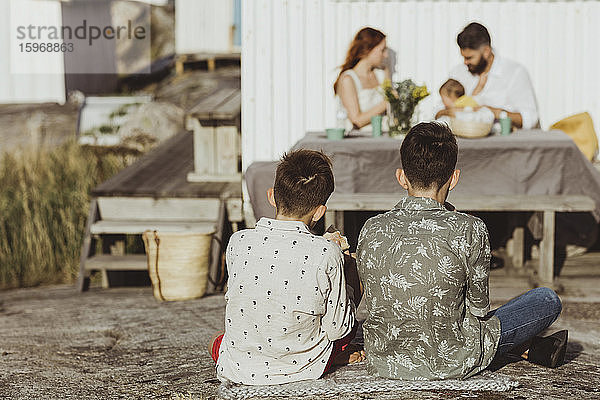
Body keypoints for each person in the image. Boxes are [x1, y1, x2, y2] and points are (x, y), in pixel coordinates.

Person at [356, 121, 567, 380]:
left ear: (401, 176)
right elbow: (478, 309)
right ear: (454, 178)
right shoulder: (470, 228)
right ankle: (526, 347)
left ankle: (529, 349)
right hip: (450, 358)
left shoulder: (371, 228)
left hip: (384, 358)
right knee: (546, 299)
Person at [210, 149, 364, 385]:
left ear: (272, 196)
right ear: (320, 212)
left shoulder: (238, 241)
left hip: (240, 367)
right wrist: (345, 265)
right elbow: (337, 330)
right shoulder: (326, 252)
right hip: (301, 367)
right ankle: (333, 357)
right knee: (347, 290)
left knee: (217, 342)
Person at [436, 22, 539, 129]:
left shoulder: (515, 73)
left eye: (469, 58)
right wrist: (458, 111)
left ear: (486, 51)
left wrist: (494, 113)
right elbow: (438, 112)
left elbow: (530, 119)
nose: (465, 62)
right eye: (464, 57)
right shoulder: (458, 72)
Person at [334, 27, 389, 130]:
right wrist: (387, 103)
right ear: (368, 50)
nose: (385, 55)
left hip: (384, 136)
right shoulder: (348, 79)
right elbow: (356, 120)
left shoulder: (381, 74)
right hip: (360, 140)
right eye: (382, 50)